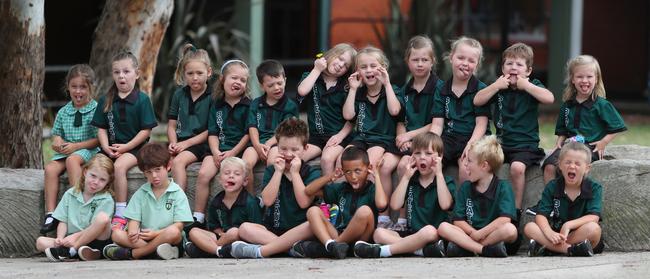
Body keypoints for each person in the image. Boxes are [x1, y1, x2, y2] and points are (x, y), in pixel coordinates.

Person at [472, 43, 554, 249]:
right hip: (501, 144)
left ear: (528, 70)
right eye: (509, 63)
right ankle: (483, 209)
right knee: (482, 164)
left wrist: (527, 86)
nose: (513, 68)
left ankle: (515, 213)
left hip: (525, 146)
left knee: (517, 168)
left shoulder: (531, 85)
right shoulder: (498, 87)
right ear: (502, 69)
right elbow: (477, 100)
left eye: (519, 64)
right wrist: (495, 86)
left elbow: (550, 98)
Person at [225, 118, 321, 258]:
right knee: (245, 228)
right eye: (283, 149)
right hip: (273, 231)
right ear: (277, 147)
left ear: (305, 149)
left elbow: (304, 202)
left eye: (294, 150)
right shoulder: (272, 170)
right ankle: (290, 248)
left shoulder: (311, 172)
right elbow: (268, 201)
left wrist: (294, 173)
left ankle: (274, 248)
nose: (288, 154)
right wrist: (278, 172)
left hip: (300, 231)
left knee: (312, 224)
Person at [354, 132, 455, 258]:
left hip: (433, 235)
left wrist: (439, 174)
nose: (422, 157)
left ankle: (383, 251)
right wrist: (406, 177)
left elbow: (445, 205)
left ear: (439, 157)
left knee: (429, 231)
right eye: (417, 153)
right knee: (379, 233)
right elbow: (395, 205)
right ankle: (419, 251)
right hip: (411, 234)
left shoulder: (446, 181)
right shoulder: (411, 181)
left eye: (428, 153)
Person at [91, 51, 157, 231]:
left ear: (137, 73)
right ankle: (92, 207)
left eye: (126, 71)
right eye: (117, 72)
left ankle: (121, 212)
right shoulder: (106, 99)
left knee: (119, 167)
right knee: (94, 167)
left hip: (135, 148)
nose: (121, 76)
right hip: (110, 147)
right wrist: (105, 146)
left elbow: (146, 131)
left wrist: (126, 147)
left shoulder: (142, 100)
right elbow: (101, 128)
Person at [541, 55, 626, 185]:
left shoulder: (601, 105)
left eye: (589, 76)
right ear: (572, 80)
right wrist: (559, 142)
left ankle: (574, 200)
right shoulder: (567, 105)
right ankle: (551, 201)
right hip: (569, 145)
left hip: (589, 148)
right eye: (580, 77)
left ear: (596, 79)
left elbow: (617, 127)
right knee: (549, 166)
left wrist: (603, 142)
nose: (584, 80)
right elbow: (563, 129)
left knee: (575, 168)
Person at [291, 146, 387, 259]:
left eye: (358, 171)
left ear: (368, 168)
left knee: (364, 211)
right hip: (338, 232)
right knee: (313, 211)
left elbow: (381, 204)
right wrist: (330, 177)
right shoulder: (341, 189)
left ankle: (331, 247)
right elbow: (309, 191)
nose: (353, 177)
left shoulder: (372, 189)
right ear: (343, 171)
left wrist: (377, 176)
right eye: (348, 172)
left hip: (361, 240)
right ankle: (330, 245)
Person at [343, 46, 402, 229]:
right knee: (343, 159)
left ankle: (382, 215)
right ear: (357, 72)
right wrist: (352, 89)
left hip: (384, 139)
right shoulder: (358, 93)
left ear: (382, 68)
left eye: (373, 66)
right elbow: (348, 115)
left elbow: (395, 110)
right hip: (361, 137)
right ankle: (343, 209)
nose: (368, 70)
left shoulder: (392, 90)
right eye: (363, 67)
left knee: (372, 160)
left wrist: (387, 84)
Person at [102, 143, 193, 260]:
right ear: (143, 172)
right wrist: (133, 231)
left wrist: (156, 234)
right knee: (117, 234)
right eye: (149, 172)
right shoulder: (142, 192)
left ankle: (136, 253)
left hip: (168, 238)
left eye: (158, 169)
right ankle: (157, 252)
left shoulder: (177, 192)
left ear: (168, 166)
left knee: (173, 232)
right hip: (144, 238)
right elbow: (133, 219)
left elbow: (179, 225)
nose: (154, 175)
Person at [191, 59, 252, 232]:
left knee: (246, 170)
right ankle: (199, 217)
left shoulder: (249, 105)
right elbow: (212, 133)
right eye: (234, 78)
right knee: (203, 174)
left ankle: (251, 209)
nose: (238, 82)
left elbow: (248, 134)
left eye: (242, 80)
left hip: (238, 150)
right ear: (223, 80)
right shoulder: (216, 105)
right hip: (217, 150)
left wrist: (232, 152)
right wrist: (216, 152)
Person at [393, 35, 445, 231]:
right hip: (409, 142)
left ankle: (404, 217)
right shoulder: (405, 89)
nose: (420, 64)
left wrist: (409, 137)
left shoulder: (439, 88)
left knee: (404, 164)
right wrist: (401, 137)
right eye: (415, 60)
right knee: (399, 164)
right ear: (408, 61)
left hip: (429, 142)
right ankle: (401, 219)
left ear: (432, 62)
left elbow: (435, 123)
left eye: (425, 60)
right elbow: (400, 119)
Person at [42, 64, 101, 234]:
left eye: (83, 87)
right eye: (74, 86)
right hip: (67, 150)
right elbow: (57, 134)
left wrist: (76, 146)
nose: (78, 91)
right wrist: (57, 142)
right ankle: (51, 213)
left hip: (87, 151)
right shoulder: (63, 112)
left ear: (91, 88)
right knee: (50, 168)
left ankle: (76, 205)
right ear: (68, 87)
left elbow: (98, 139)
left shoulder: (95, 109)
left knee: (72, 160)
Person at [437, 135, 518, 258]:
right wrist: (472, 232)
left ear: (484, 166)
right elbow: (458, 220)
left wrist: (481, 234)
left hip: (492, 235)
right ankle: (483, 250)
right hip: (471, 233)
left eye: (469, 161)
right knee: (443, 227)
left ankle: (467, 248)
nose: (465, 165)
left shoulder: (503, 187)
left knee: (510, 230)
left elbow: (504, 220)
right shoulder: (465, 188)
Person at [524, 142, 603, 257]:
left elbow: (594, 217)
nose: (572, 166)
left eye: (577, 163)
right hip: (556, 235)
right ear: (560, 165)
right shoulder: (553, 186)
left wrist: (568, 225)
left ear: (587, 168)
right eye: (568, 162)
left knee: (594, 229)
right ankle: (570, 250)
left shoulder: (594, 188)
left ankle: (548, 248)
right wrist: (549, 233)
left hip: (578, 235)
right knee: (529, 227)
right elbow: (541, 215)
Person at [430, 37, 488, 184]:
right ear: (451, 58)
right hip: (449, 137)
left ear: (477, 65)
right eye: (461, 58)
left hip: (473, 137)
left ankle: (463, 205)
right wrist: (431, 145)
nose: (465, 63)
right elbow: (437, 124)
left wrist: (471, 144)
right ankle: (436, 204)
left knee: (465, 169)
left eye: (471, 61)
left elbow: (481, 124)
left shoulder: (480, 90)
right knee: (431, 163)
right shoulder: (441, 89)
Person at [36, 154, 115, 261]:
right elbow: (63, 220)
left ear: (107, 182)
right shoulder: (71, 193)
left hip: (95, 239)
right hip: (70, 239)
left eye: (102, 180)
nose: (96, 182)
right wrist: (60, 238)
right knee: (40, 242)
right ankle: (81, 252)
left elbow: (96, 227)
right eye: (93, 176)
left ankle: (73, 250)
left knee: (103, 218)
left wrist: (74, 238)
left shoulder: (106, 199)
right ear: (85, 172)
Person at [296, 43, 357, 175]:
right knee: (296, 158)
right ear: (330, 55)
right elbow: (302, 91)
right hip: (316, 137)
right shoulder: (312, 76)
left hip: (338, 136)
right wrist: (317, 69)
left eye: (346, 65)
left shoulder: (346, 86)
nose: (341, 65)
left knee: (327, 159)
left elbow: (351, 118)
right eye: (340, 58)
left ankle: (330, 194)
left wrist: (340, 136)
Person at [185, 157, 262, 258]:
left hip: (240, 239)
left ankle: (205, 249)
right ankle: (219, 251)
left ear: (245, 181)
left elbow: (256, 228)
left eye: (237, 174)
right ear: (220, 179)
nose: (231, 176)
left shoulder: (249, 202)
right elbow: (214, 226)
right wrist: (221, 233)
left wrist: (230, 235)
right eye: (227, 173)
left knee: (233, 232)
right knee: (193, 231)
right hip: (221, 237)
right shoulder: (216, 202)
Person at [242, 60, 299, 190]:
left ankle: (269, 200)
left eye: (280, 83)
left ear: (285, 79)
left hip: (278, 143)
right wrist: (257, 145)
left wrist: (268, 144)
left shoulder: (290, 106)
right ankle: (251, 201)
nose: (277, 88)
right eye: (271, 85)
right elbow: (252, 126)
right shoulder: (255, 104)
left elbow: (285, 131)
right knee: (245, 164)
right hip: (257, 143)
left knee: (273, 163)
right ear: (262, 86)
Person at [167, 44, 213, 192]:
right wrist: (173, 144)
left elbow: (211, 130)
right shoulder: (179, 94)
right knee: (157, 162)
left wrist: (185, 144)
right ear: (184, 73)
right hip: (181, 144)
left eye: (199, 73)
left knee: (178, 162)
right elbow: (172, 126)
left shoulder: (213, 96)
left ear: (209, 72)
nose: (195, 78)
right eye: (190, 73)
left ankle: (180, 206)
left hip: (202, 144)